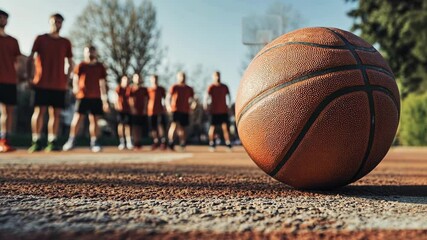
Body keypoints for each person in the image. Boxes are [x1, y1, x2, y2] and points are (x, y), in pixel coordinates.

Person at [27, 13, 74, 152]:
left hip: (59, 84)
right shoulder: (41, 39)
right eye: (54, 21)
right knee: (39, 111)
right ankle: (36, 140)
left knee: (56, 114)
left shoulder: (66, 42)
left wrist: (67, 80)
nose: (57, 24)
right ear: (50, 22)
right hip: (41, 82)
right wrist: (30, 77)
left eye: (59, 22)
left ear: (62, 24)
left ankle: (52, 140)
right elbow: (31, 58)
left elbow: (70, 63)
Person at [62, 46, 108, 152]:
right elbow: (75, 79)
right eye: (88, 52)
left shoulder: (100, 67)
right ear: (84, 53)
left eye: (92, 51)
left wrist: (105, 99)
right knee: (77, 119)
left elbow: (102, 83)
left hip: (96, 97)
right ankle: (71, 140)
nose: (90, 54)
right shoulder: (81, 66)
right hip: (83, 97)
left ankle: (94, 142)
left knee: (94, 120)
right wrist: (76, 89)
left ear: (96, 53)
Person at [0, 9, 21, 153]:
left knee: (8, 112)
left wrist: (19, 76)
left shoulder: (13, 41)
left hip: (9, 80)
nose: (2, 20)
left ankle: (4, 140)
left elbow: (18, 62)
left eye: (4, 18)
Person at [204, 71, 232, 152]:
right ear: (213, 77)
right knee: (212, 127)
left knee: (225, 127)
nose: (217, 77)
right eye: (216, 76)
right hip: (214, 111)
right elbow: (206, 96)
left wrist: (229, 106)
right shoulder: (211, 87)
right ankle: (212, 143)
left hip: (223, 110)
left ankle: (228, 143)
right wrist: (206, 105)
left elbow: (229, 97)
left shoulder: (224, 86)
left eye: (218, 75)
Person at [166, 72, 194, 151]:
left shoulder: (189, 88)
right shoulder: (174, 87)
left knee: (183, 128)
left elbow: (192, 99)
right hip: (175, 109)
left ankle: (182, 143)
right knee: (174, 125)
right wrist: (168, 106)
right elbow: (168, 97)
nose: (183, 78)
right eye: (181, 76)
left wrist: (192, 106)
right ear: (178, 77)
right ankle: (171, 142)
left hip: (185, 110)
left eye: (184, 76)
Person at [128, 73, 148, 150]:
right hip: (134, 111)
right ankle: (135, 141)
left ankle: (139, 142)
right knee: (135, 127)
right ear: (133, 79)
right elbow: (130, 99)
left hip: (141, 111)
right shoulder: (131, 89)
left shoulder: (144, 89)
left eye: (139, 78)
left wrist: (144, 109)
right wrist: (133, 108)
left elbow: (146, 99)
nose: (138, 79)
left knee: (140, 127)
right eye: (136, 78)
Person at [147, 74, 167, 150]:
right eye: (153, 79)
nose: (154, 80)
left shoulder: (161, 89)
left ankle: (163, 141)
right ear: (150, 80)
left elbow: (164, 98)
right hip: (151, 111)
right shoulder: (148, 90)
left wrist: (164, 107)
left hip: (160, 110)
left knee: (161, 126)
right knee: (153, 127)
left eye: (155, 79)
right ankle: (155, 141)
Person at [115, 76, 133, 150]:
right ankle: (122, 142)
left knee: (128, 125)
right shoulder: (118, 88)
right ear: (122, 80)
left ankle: (129, 142)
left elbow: (131, 99)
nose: (126, 81)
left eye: (127, 80)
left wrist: (132, 108)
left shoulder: (129, 89)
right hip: (120, 109)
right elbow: (115, 97)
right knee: (121, 125)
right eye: (125, 80)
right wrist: (116, 105)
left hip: (128, 110)